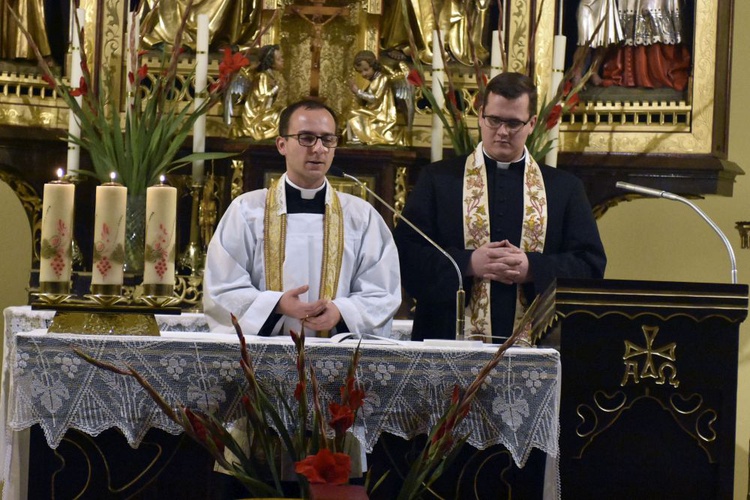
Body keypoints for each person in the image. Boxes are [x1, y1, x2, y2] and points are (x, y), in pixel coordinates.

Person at [393, 72, 606, 343]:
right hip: (447, 336)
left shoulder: (564, 189)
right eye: (494, 120)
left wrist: (533, 268)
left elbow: (590, 265)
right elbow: (406, 254)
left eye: (514, 123)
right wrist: (468, 263)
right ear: (481, 115)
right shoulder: (438, 180)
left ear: (531, 124)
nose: (502, 132)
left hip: (539, 345)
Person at [204, 99, 402, 337]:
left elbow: (382, 291)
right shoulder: (247, 211)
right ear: (281, 144)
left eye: (328, 139)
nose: (319, 149)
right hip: (263, 359)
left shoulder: (361, 216)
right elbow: (223, 287)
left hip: (339, 358)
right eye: (306, 138)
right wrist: (277, 304)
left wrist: (341, 313)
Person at [346, 50, 401, 145]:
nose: (363, 74)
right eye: (360, 72)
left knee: (354, 114)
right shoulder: (371, 82)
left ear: (374, 66)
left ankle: (359, 138)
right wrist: (356, 93)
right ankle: (355, 139)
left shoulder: (383, 78)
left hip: (381, 113)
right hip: (372, 110)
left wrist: (358, 92)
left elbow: (375, 99)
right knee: (353, 113)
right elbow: (364, 101)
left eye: (366, 69)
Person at [234, 44, 287, 140]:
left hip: (267, 110)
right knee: (281, 117)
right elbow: (263, 97)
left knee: (286, 113)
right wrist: (276, 88)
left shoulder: (272, 76)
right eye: (279, 59)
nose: (283, 60)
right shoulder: (262, 76)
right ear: (271, 62)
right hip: (257, 114)